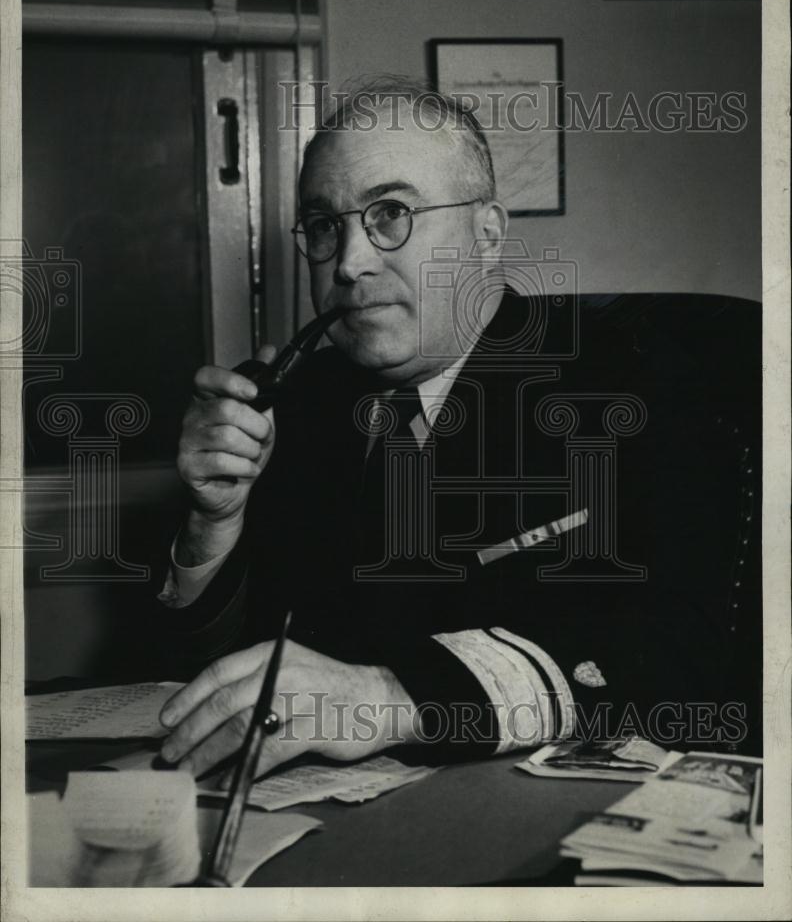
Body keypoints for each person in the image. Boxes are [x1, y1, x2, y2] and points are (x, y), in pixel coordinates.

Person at [156, 78, 760, 781]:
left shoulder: (632, 383)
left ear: (487, 234)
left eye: (391, 212)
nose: (348, 263)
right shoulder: (299, 402)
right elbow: (212, 676)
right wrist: (213, 522)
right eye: (324, 225)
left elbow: (682, 653)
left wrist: (397, 698)